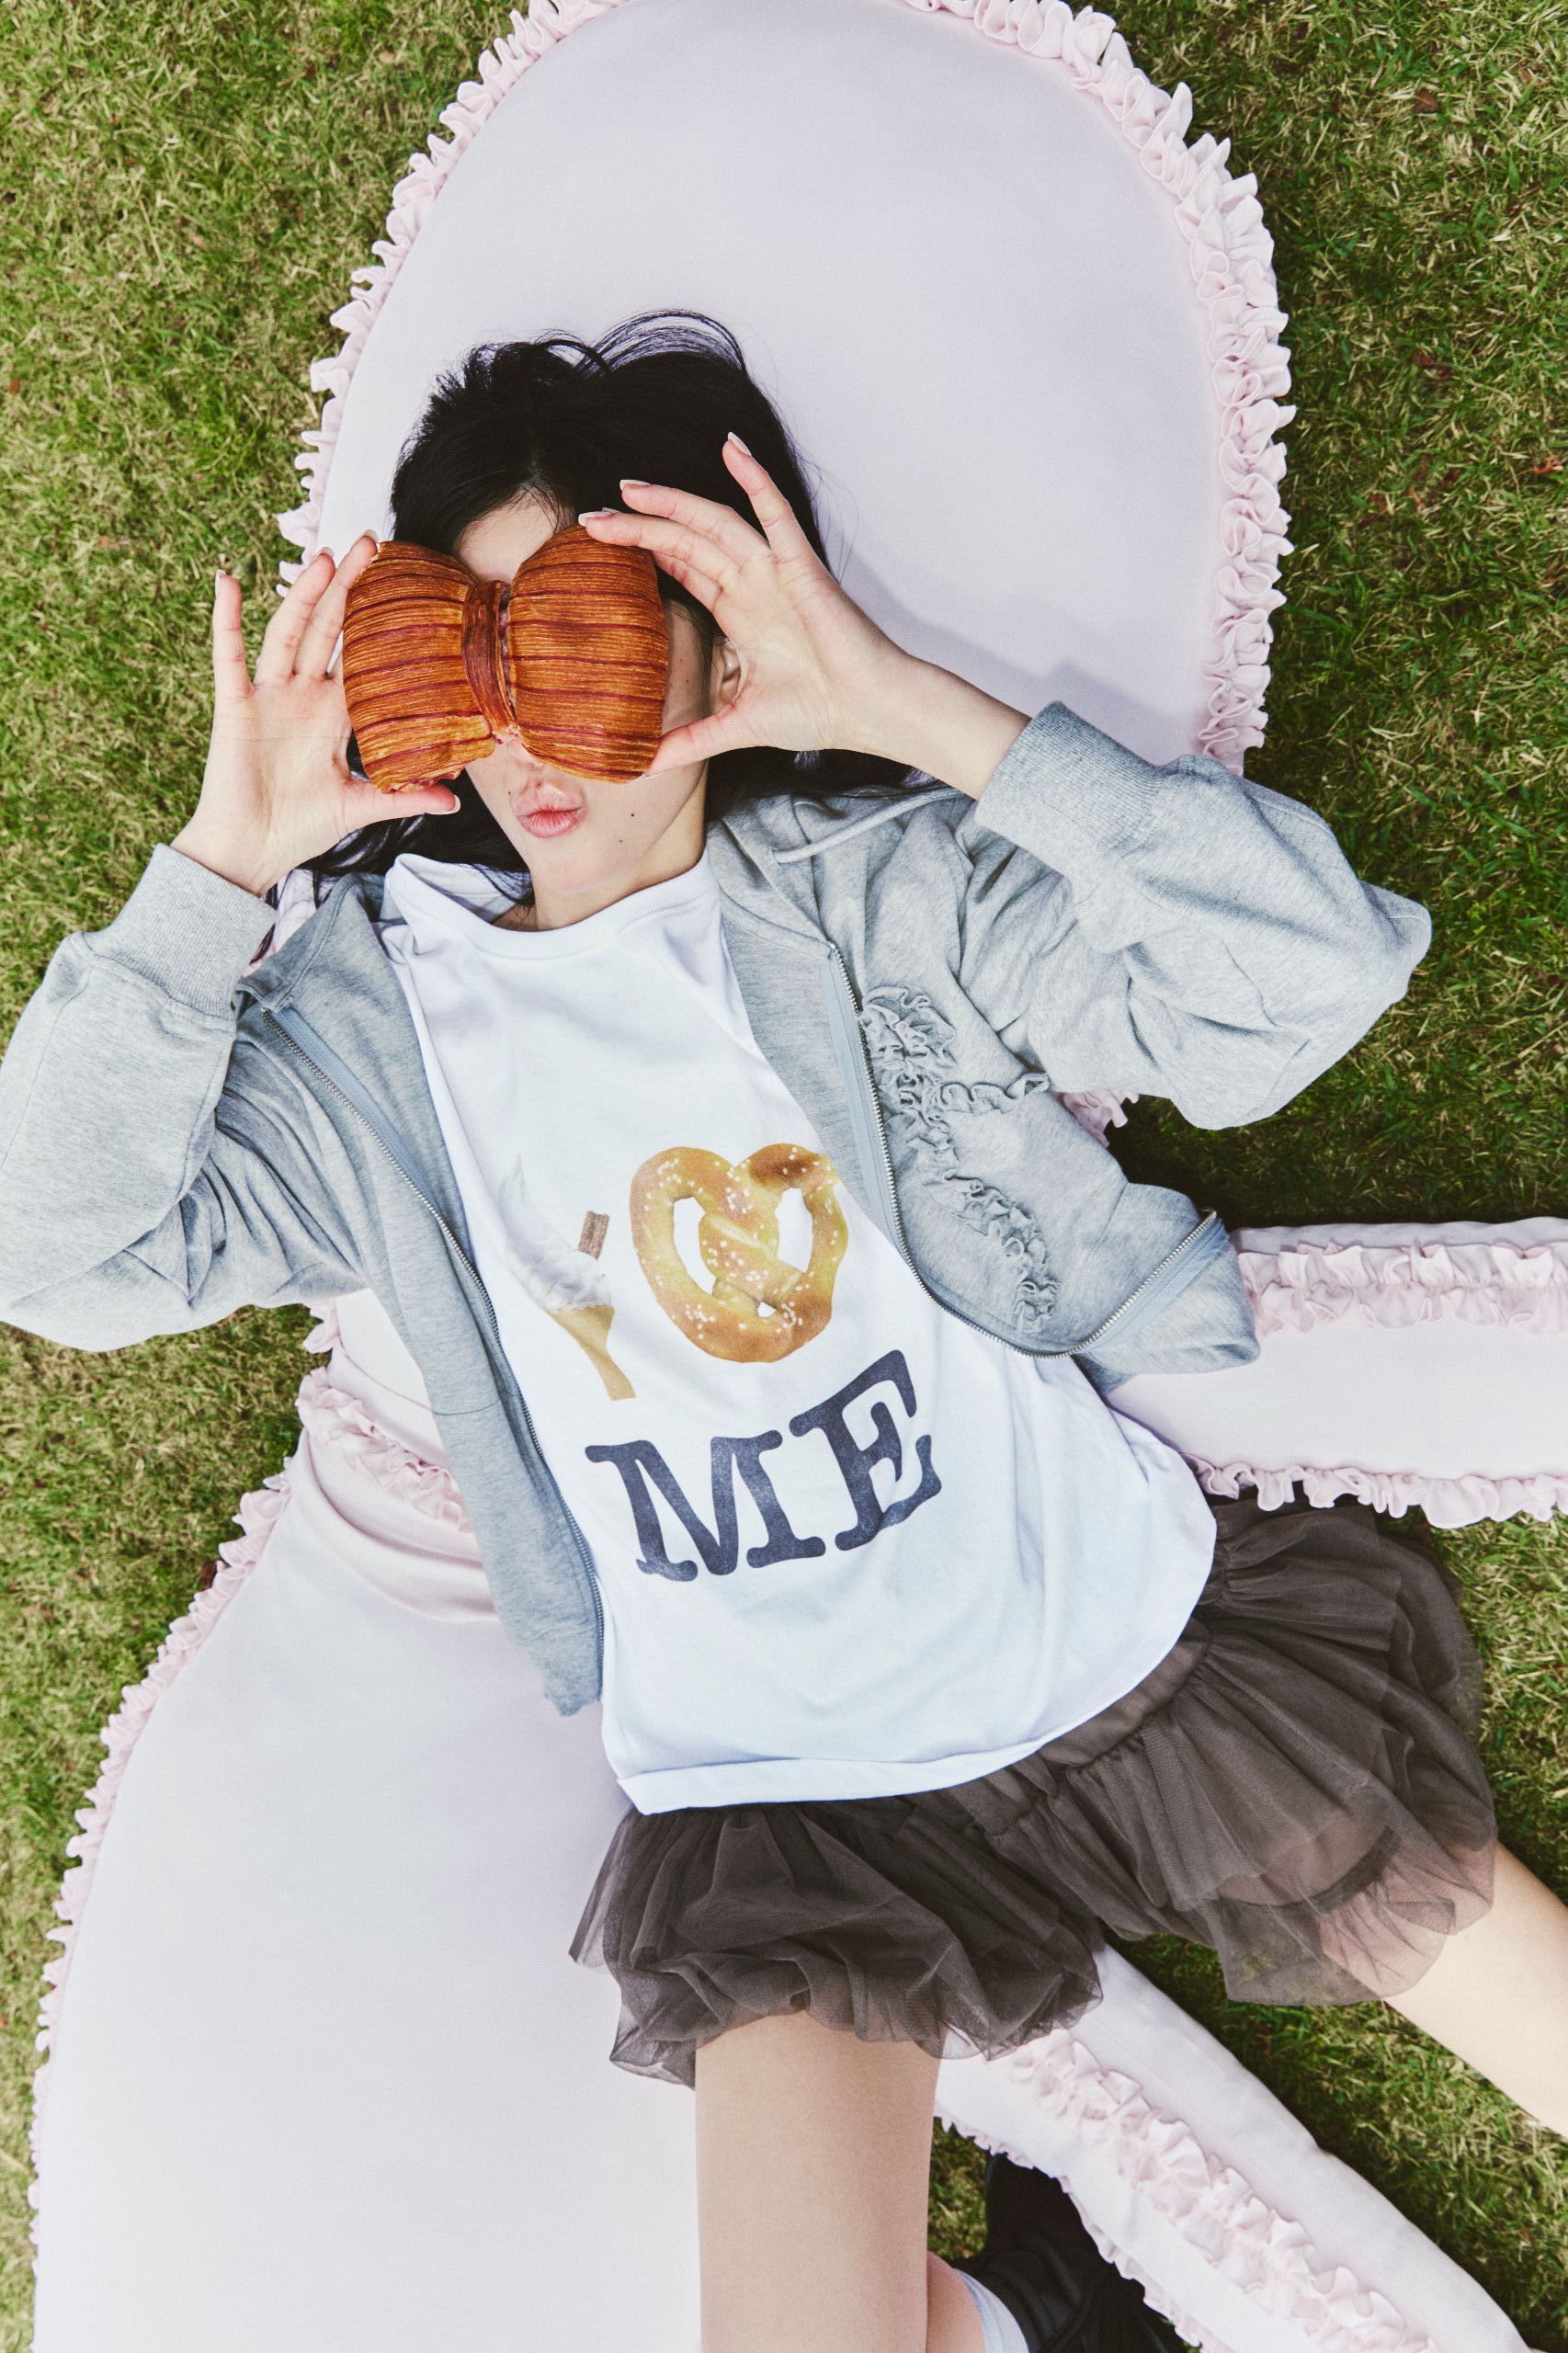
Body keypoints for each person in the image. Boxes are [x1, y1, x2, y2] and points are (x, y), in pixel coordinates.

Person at [3, 313, 1564, 2353]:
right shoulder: (373, 1036)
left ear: (703, 640)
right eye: (471, 659)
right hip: (781, 1799)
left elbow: (1309, 970)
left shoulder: (870, 893)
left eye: (579, 643)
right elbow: (55, 1253)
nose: (532, 742)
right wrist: (220, 869)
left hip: (1110, 1654)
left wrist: (906, 706)